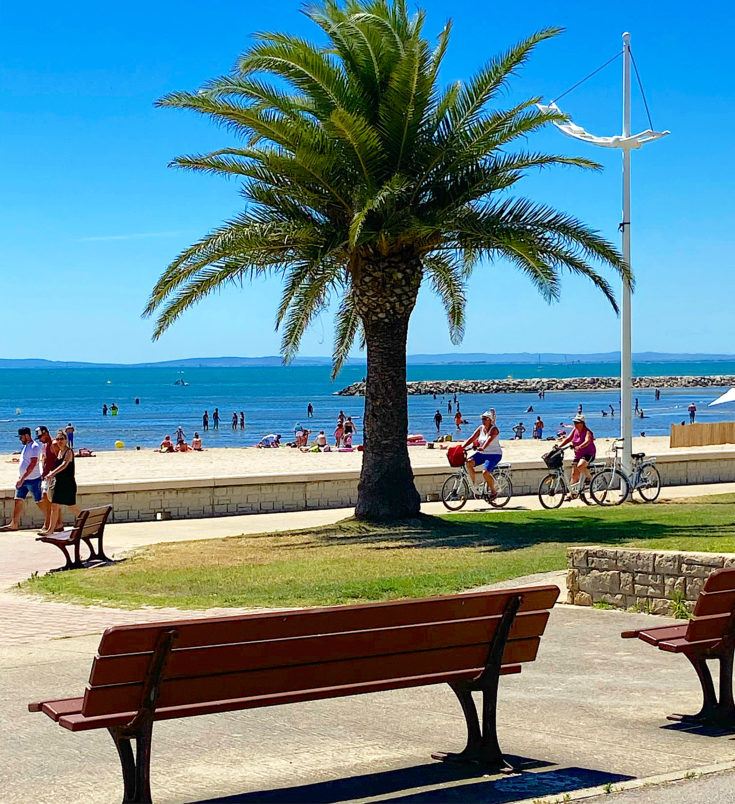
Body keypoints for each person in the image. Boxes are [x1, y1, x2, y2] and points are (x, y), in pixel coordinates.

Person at [1, 428, 48, 531]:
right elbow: (27, 460)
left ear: (27, 435)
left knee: (39, 501)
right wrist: (18, 461)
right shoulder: (26, 447)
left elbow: (33, 464)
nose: (20, 439)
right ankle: (14, 524)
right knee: (18, 500)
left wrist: (22, 478)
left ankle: (50, 521)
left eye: (21, 437)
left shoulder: (34, 447)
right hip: (23, 479)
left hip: (33, 479)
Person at [43, 430, 81, 535]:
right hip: (59, 484)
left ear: (66, 440)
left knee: (72, 506)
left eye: (62, 439)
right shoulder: (59, 452)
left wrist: (52, 473)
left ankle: (86, 521)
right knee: (54, 506)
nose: (60, 441)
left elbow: (64, 465)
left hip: (68, 484)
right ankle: (50, 530)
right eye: (58, 439)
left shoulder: (69, 452)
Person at [462, 411, 501, 499]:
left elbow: (489, 439)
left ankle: (493, 491)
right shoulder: (481, 428)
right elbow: (472, 438)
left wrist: (483, 447)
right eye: (482, 419)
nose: (483, 421)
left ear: (490, 420)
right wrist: (462, 447)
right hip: (482, 453)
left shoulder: (494, 429)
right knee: (468, 463)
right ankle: (474, 487)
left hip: (494, 454)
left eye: (485, 419)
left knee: (485, 473)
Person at [558, 414, 596, 498]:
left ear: (582, 423)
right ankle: (572, 493)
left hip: (588, 454)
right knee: (574, 474)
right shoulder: (575, 430)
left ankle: (591, 479)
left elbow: (588, 441)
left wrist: (580, 446)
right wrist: (559, 446)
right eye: (574, 422)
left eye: (577, 422)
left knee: (580, 465)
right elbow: (568, 439)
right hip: (578, 454)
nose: (575, 424)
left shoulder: (587, 432)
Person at [36, 426, 63, 533]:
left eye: (41, 436)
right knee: (50, 500)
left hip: (52, 476)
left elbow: (60, 459)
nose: (40, 439)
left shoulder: (54, 444)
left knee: (48, 498)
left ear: (46, 433)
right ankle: (58, 523)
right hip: (46, 475)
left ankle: (48, 524)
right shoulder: (45, 445)